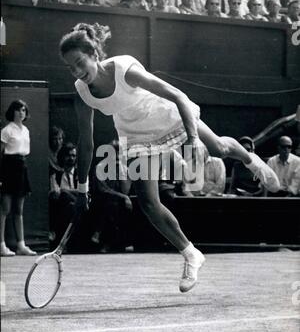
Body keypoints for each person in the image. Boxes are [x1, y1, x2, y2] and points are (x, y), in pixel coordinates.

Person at [59, 22, 280, 293]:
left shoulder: (125, 69)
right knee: (149, 203)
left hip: (167, 114)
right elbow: (85, 143)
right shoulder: (81, 92)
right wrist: (82, 190)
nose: (77, 72)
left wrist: (194, 139)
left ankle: (250, 159)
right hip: (135, 135)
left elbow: (178, 95)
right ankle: (190, 253)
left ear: (94, 53)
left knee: (219, 149)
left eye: (80, 63)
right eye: (71, 67)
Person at [0, 100, 37, 256]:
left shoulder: (26, 130)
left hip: (22, 168)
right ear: (12, 112)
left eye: (23, 110)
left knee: (19, 210)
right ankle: (1, 245)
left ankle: (21, 245)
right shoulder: (6, 130)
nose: (21, 112)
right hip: (8, 167)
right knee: (5, 209)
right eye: (18, 110)